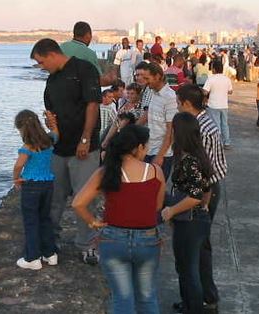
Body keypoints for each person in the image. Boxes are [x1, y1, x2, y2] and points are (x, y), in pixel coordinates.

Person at [72, 124, 165, 314]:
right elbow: (156, 207)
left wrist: (93, 222)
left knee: (122, 299)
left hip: (113, 240)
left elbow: (77, 203)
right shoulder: (156, 172)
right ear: (138, 148)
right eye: (145, 147)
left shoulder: (106, 172)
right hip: (147, 240)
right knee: (147, 297)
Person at [30, 38, 102, 264]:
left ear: (51, 54)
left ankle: (87, 245)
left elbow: (93, 104)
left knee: (84, 198)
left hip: (84, 148)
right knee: (54, 198)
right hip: (59, 149)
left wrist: (85, 139)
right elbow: (51, 112)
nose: (41, 67)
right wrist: (50, 123)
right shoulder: (51, 81)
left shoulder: (84, 69)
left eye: (41, 62)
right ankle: (50, 242)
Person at [175, 84, 228, 313]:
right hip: (206, 188)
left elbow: (202, 176)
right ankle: (201, 296)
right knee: (200, 245)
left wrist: (197, 204)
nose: (177, 106)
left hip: (204, 191)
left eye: (178, 102)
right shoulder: (204, 121)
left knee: (196, 248)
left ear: (187, 104)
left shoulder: (201, 129)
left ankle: (201, 299)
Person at [160, 112, 214, 314]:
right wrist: (205, 207)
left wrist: (170, 210)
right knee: (188, 266)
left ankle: (194, 307)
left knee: (188, 268)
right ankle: (189, 303)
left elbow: (195, 195)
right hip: (198, 219)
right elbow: (207, 188)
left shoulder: (187, 161)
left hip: (189, 221)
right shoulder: (197, 156)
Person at [12, 110, 60, 270]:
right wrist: (51, 120)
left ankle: (32, 257)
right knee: (44, 219)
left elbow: (19, 165)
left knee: (31, 221)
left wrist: (16, 178)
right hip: (48, 185)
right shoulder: (49, 140)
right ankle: (50, 254)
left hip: (31, 186)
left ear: (22, 129)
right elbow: (55, 132)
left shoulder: (27, 147)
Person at [140, 62, 177, 178]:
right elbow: (148, 115)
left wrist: (160, 156)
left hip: (161, 152)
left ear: (157, 77)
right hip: (149, 148)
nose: (145, 81)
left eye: (147, 78)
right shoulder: (153, 93)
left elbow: (171, 131)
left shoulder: (170, 97)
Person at [60, 21, 116, 86]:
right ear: (88, 35)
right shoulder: (89, 54)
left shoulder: (61, 47)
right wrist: (112, 79)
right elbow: (100, 81)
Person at [202, 61, 233, 149]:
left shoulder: (211, 79)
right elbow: (230, 91)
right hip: (224, 105)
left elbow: (205, 91)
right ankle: (227, 142)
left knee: (216, 124)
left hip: (213, 105)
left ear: (214, 69)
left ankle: (218, 142)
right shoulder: (227, 79)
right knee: (225, 124)